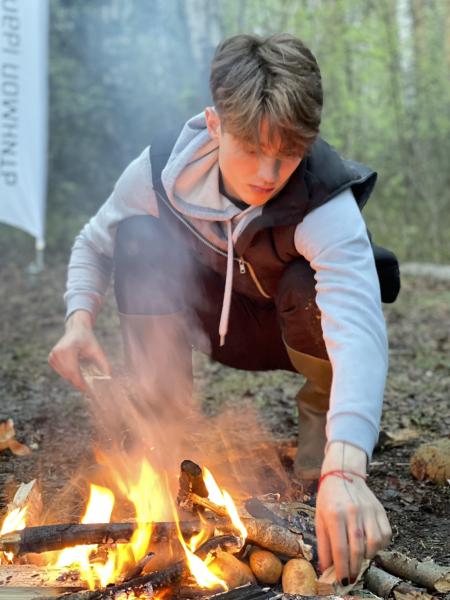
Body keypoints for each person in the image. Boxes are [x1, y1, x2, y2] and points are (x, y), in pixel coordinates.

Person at [49, 33, 400, 584]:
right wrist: (77, 320)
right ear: (216, 125)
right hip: (206, 320)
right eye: (252, 149)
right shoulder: (161, 172)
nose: (268, 171)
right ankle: (164, 433)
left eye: (287, 154)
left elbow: (359, 333)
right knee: (137, 241)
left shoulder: (325, 201)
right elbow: (93, 242)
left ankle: (320, 460)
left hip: (296, 332)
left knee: (310, 284)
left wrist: (348, 468)